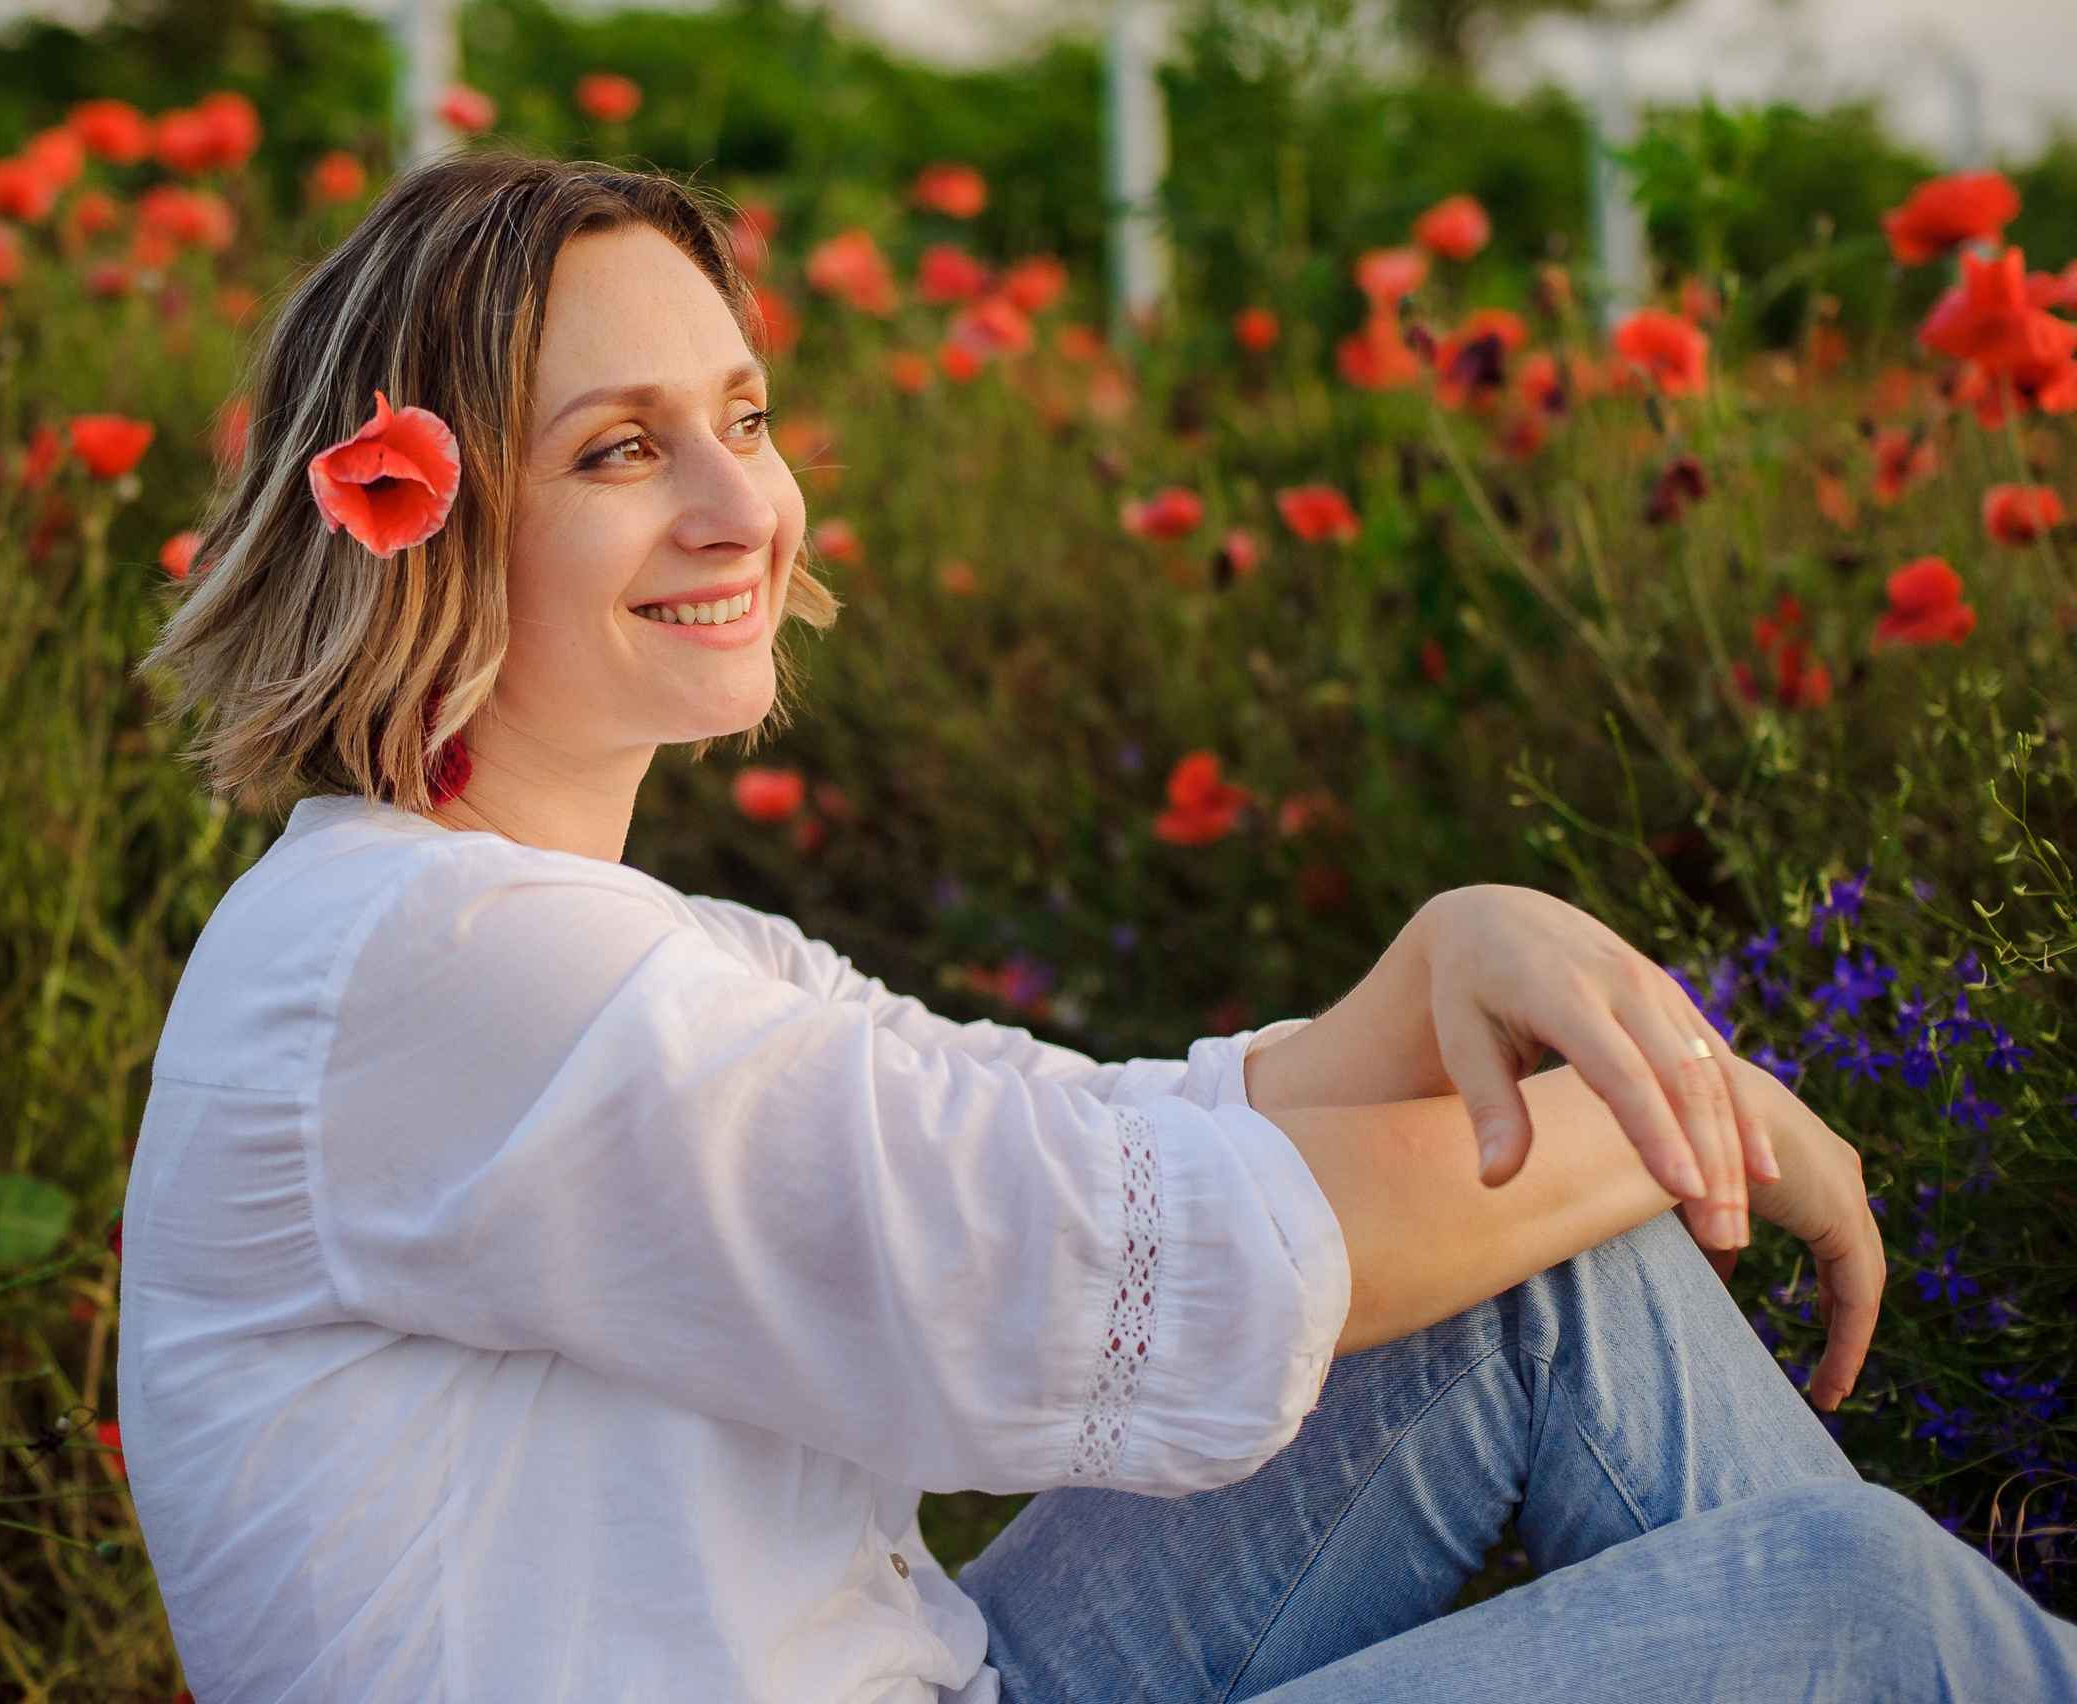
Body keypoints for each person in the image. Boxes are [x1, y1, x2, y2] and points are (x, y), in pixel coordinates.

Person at [119, 154, 2077, 1702]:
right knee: (1861, 1607)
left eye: (742, 413)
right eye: (620, 449)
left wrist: (1451, 959)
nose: (743, 505)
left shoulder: (623, 947)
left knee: (1531, 1275)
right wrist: (1690, 1102)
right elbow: (1065, 1269)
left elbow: (1077, 1139)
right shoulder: (435, 967)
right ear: (405, 514)